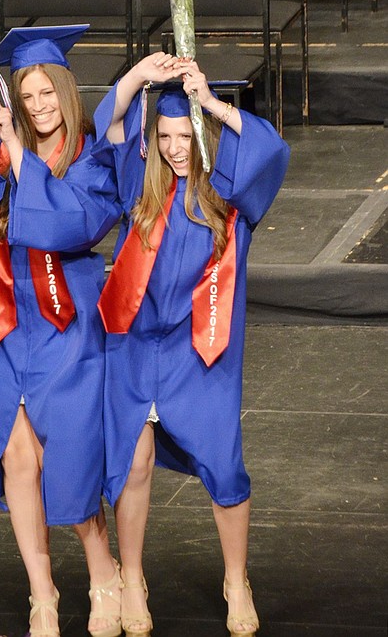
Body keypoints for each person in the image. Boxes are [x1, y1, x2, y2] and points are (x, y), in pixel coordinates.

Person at [0, 25, 125, 637]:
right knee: (16, 457)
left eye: (46, 94)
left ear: (64, 93)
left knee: (69, 458)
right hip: (4, 316)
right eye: (27, 96)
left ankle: (103, 573)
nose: (38, 107)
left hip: (67, 320)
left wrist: (18, 150)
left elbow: (72, 227)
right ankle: (43, 592)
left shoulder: (93, 157)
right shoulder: (0, 148)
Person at [92, 53, 291, 637]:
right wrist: (134, 80)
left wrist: (210, 103)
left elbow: (271, 152)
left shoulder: (229, 200)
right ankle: (131, 578)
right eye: (166, 135)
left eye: (186, 136)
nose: (176, 148)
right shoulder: (140, 186)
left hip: (200, 350)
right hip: (132, 345)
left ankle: (236, 579)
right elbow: (109, 131)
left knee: (223, 467)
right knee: (132, 463)